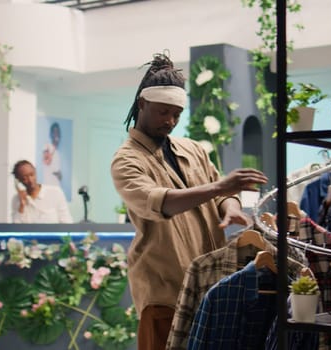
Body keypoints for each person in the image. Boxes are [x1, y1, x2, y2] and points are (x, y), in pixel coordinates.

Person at [110, 53, 268, 350]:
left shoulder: (191, 149)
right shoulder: (126, 160)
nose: (170, 121)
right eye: (163, 112)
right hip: (164, 292)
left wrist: (230, 206)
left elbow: (221, 193)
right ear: (142, 104)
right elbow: (160, 203)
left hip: (210, 287)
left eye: (176, 114)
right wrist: (220, 186)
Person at [42, 122, 62, 187]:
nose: (56, 134)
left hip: (56, 184)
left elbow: (59, 174)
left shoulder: (58, 152)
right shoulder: (46, 146)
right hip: (48, 183)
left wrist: (59, 175)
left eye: (58, 132)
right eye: (55, 132)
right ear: (51, 134)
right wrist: (54, 146)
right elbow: (47, 162)